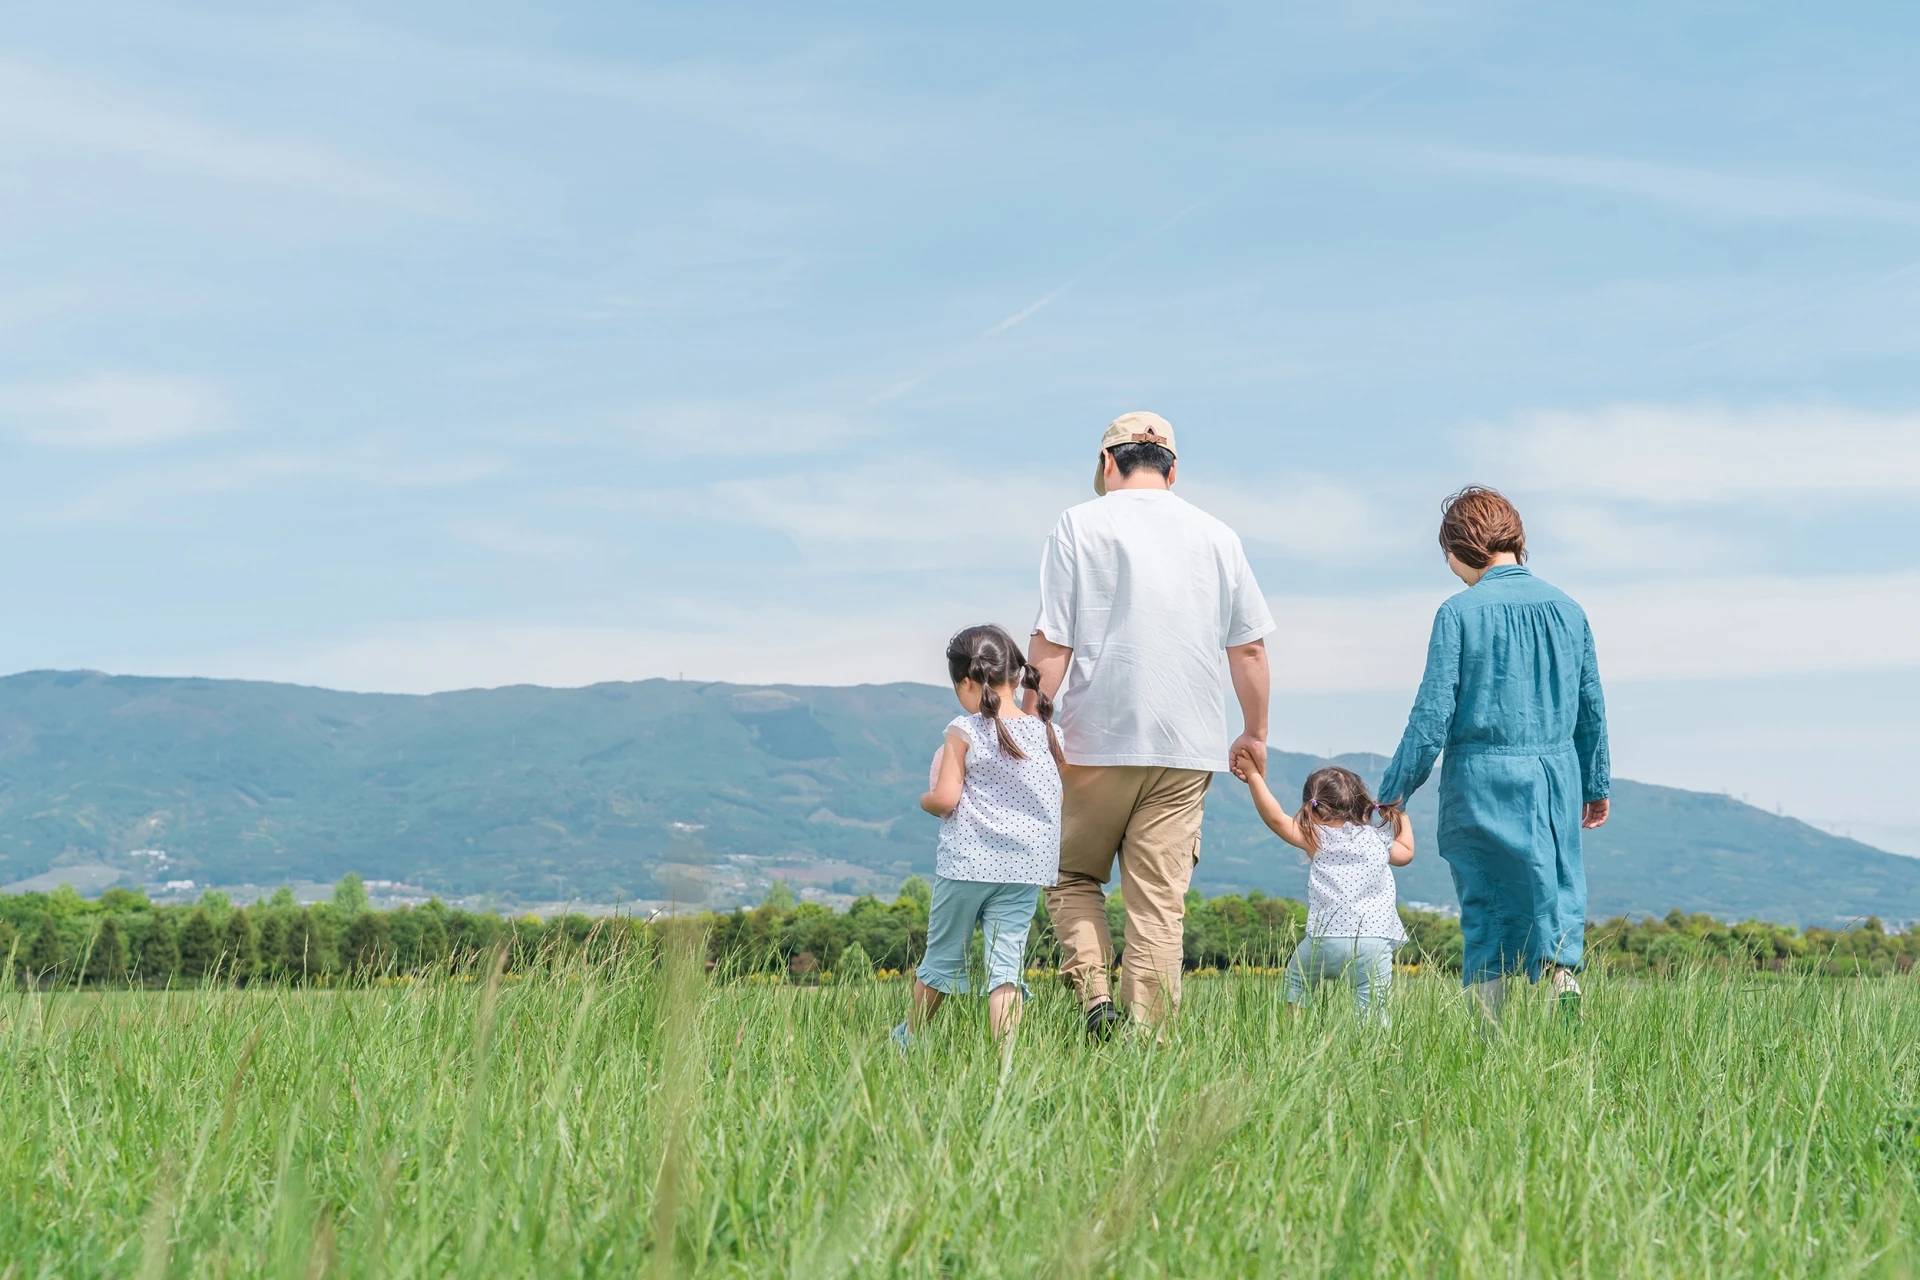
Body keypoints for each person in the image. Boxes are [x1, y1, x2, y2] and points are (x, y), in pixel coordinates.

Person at [1027, 412, 1274, 1038]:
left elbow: (1053, 639)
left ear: (1108, 463)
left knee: (1070, 874)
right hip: (1188, 746)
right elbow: (1248, 650)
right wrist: (1254, 733)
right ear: (1173, 469)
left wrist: (1030, 725)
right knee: (1159, 907)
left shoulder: (1079, 523)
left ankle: (1094, 1001)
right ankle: (1149, 1043)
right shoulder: (1218, 535)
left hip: (1094, 738)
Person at [1376, 486, 1610, 1023]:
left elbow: (1431, 715)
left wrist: (1394, 792)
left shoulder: (1458, 612)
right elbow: (1590, 707)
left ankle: (1491, 1038)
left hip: (1482, 777)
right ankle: (1563, 987)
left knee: (1487, 906)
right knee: (1556, 893)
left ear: (1459, 548)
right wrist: (1595, 785)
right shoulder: (1569, 610)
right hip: (1557, 774)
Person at [893, 624, 1063, 1049]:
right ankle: (1005, 1059)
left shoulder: (963, 729)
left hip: (968, 865)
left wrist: (924, 799)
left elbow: (947, 799)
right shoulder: (1046, 733)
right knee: (1006, 967)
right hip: (1024, 869)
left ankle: (910, 1040)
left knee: (943, 957)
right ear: (1014, 675)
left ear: (967, 682)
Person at [1231, 760, 1414, 1025]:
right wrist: (1403, 817)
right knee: (1372, 1008)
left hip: (1325, 939)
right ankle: (1376, 1055)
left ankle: (1292, 1037)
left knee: (1297, 982)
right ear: (1362, 805)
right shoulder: (1378, 839)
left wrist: (1252, 775)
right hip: (1375, 940)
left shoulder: (1316, 837)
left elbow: (1275, 818)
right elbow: (1406, 853)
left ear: (1313, 806)